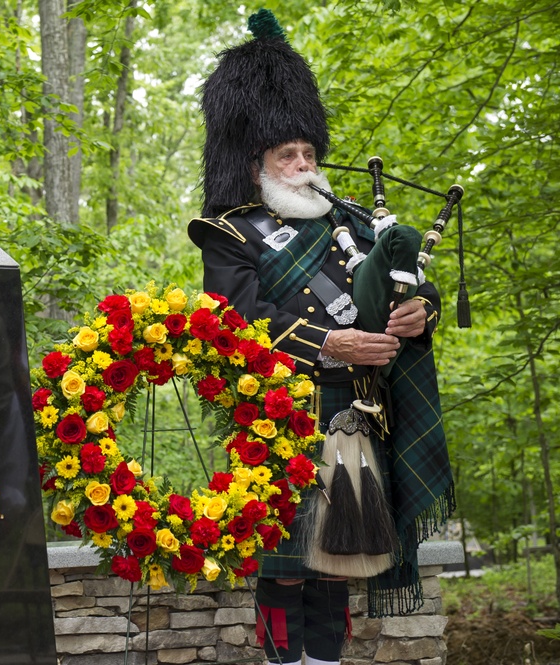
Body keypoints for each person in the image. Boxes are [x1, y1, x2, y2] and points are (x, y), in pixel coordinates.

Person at [187, 10, 454, 665]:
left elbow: (410, 282)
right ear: (257, 166)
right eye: (288, 154)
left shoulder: (358, 223)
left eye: (309, 151)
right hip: (277, 413)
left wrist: (423, 310)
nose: (303, 163)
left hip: (353, 412)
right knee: (282, 568)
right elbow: (235, 322)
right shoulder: (232, 233)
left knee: (337, 562)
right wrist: (329, 344)